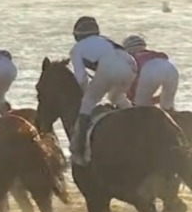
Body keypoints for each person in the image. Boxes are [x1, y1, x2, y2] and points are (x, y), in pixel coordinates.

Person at [69, 16, 137, 162]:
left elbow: (81, 78)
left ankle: (79, 150)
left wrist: (87, 94)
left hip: (108, 68)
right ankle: (136, 119)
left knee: (87, 103)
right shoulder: (107, 41)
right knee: (116, 97)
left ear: (77, 35)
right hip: (130, 68)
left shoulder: (77, 48)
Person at [122, 35, 178, 111]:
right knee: (168, 104)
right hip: (171, 68)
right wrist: (157, 99)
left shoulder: (131, 59)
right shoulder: (155, 54)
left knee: (140, 107)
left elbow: (131, 90)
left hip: (150, 69)